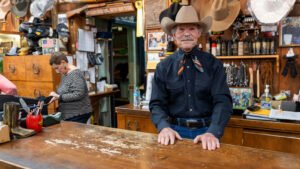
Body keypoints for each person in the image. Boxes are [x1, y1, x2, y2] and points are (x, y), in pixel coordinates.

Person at [149, 5, 232, 150]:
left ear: (199, 33)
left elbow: (223, 101)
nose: (186, 33)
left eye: (192, 29)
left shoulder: (214, 65)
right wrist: (163, 127)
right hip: (174, 133)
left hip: (207, 133)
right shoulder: (163, 67)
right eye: (181, 29)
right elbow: (156, 104)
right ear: (174, 35)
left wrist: (213, 132)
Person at [48, 52, 92, 123]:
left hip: (78, 113)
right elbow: (65, 90)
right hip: (69, 114)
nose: (57, 71)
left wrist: (59, 97)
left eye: (57, 68)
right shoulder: (65, 73)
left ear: (63, 62)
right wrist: (55, 95)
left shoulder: (75, 74)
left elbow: (78, 94)